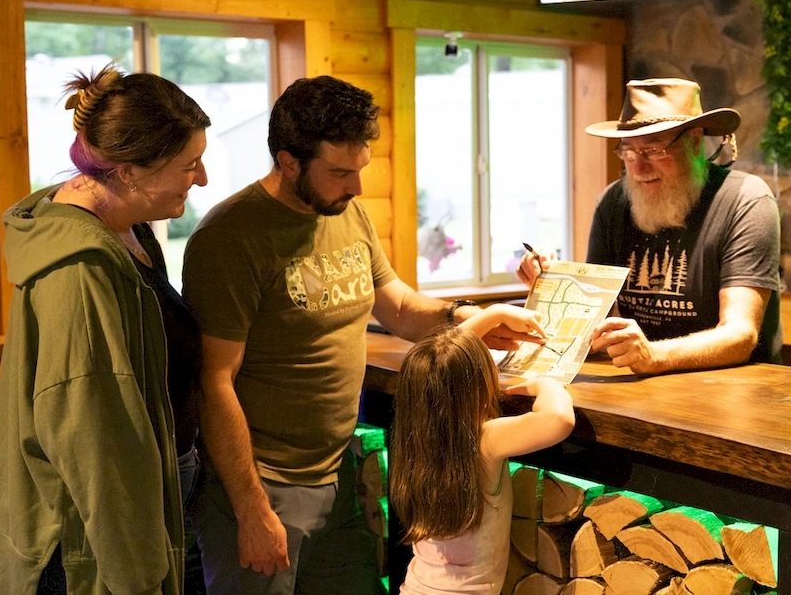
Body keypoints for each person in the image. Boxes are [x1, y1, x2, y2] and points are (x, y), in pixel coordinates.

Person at [181, 75, 543, 594]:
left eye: (359, 169)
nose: (355, 187)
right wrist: (251, 509)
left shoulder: (344, 211)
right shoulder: (229, 237)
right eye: (338, 172)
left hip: (337, 474)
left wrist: (467, 317)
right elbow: (213, 383)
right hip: (263, 485)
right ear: (287, 162)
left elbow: (396, 304)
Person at [0, 63, 210, 594]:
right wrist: (139, 579)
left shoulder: (130, 233)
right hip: (92, 550)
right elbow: (95, 446)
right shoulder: (79, 270)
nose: (202, 179)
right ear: (129, 171)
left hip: (149, 517)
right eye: (189, 164)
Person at [518, 78, 782, 375]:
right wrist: (553, 285)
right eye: (629, 151)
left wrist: (654, 355)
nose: (639, 168)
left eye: (654, 151)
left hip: (739, 390)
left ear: (695, 140)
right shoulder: (613, 202)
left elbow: (740, 335)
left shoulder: (746, 200)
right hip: (642, 386)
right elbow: (595, 315)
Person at [390, 304, 576, 594]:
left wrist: (496, 314)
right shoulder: (483, 440)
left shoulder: (415, 435)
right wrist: (546, 383)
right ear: (480, 384)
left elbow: (437, 363)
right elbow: (559, 419)